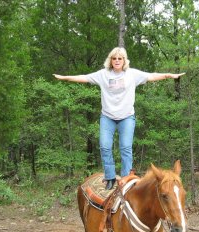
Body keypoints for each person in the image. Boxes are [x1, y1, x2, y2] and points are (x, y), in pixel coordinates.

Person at [53, 47, 185, 190]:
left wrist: (169, 75)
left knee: (125, 148)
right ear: (110, 60)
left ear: (124, 61)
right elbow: (84, 77)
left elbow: (151, 76)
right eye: (114, 58)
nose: (117, 61)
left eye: (119, 58)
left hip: (126, 117)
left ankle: (126, 178)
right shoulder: (103, 74)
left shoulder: (132, 74)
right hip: (107, 117)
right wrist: (66, 78)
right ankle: (109, 177)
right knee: (104, 146)